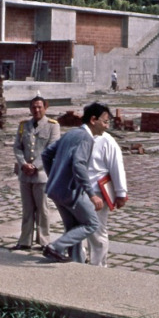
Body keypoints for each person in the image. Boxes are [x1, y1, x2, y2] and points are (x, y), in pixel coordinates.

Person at [40, 102, 111, 263]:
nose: (106, 126)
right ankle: (55, 247)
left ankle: (75, 264)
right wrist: (92, 195)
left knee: (73, 229)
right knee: (92, 224)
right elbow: (78, 165)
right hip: (71, 192)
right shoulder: (86, 138)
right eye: (105, 121)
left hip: (56, 190)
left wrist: (55, 177)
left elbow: (46, 154)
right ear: (94, 120)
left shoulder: (71, 133)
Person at [12, 95, 61, 250]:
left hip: (41, 175)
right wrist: (23, 164)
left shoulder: (53, 126)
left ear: (45, 108)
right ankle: (25, 240)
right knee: (27, 209)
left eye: (40, 107)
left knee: (42, 209)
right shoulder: (23, 125)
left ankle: (44, 241)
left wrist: (35, 166)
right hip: (25, 174)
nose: (36, 110)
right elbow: (18, 147)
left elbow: (51, 148)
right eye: (34, 107)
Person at [85, 131, 128, 267]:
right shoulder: (78, 136)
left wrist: (121, 193)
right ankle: (79, 261)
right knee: (78, 229)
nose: (105, 125)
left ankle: (98, 264)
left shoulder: (107, 141)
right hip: (79, 190)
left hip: (97, 192)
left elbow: (117, 167)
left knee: (97, 231)